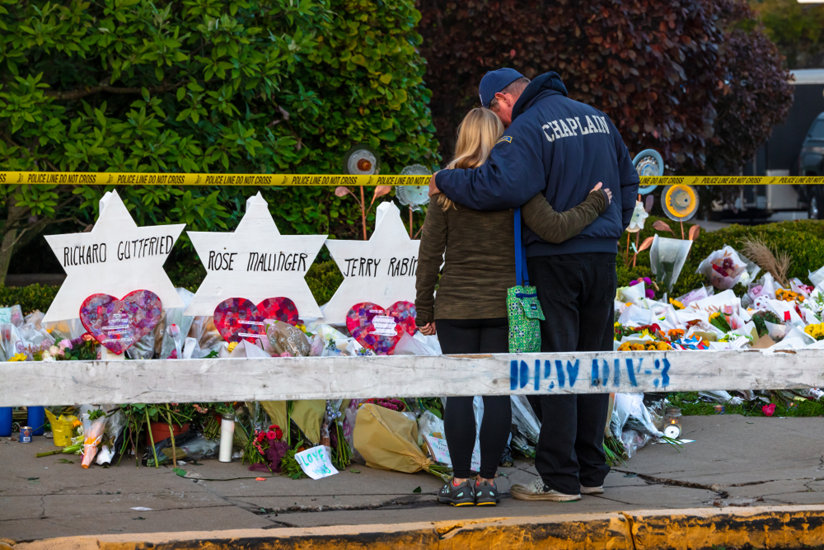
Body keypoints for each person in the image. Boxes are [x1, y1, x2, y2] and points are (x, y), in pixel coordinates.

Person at [429, 68, 640, 502]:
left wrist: (444, 179)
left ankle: (561, 480)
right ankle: (591, 472)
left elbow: (502, 185)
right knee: (594, 363)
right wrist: (610, 230)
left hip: (555, 261)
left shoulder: (527, 127)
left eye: (497, 111)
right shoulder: (597, 116)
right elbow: (629, 179)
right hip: (601, 259)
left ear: (503, 100)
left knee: (555, 368)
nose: (501, 122)